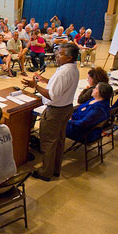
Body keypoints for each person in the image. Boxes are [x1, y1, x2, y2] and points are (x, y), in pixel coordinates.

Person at [21, 43, 79, 181]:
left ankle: (45, 173)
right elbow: (59, 87)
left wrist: (36, 86)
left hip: (55, 112)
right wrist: (44, 80)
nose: (56, 56)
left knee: (48, 143)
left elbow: (52, 95)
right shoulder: (72, 68)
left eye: (60, 54)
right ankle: (55, 169)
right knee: (59, 141)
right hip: (66, 108)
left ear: (69, 57)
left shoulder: (64, 72)